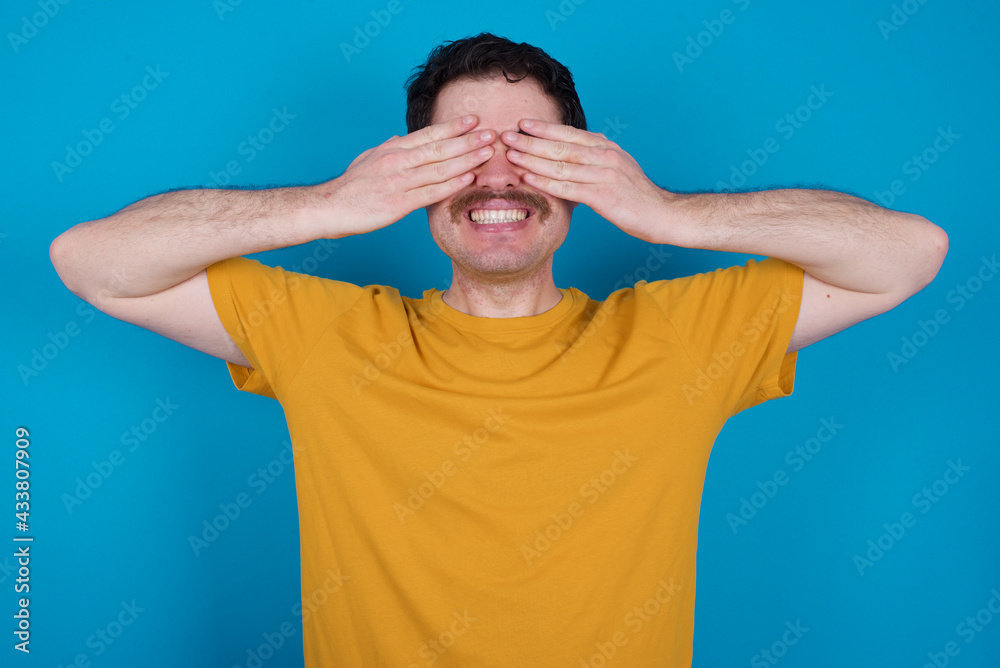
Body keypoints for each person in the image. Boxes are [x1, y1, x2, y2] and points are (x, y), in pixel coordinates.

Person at [50, 32, 946, 667]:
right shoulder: (325, 334)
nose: (498, 177)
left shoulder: (681, 337)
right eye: (459, 149)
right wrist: (327, 205)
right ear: (412, 170)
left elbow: (908, 252)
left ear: (584, 165)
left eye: (531, 147)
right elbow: (91, 261)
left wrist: (667, 213)